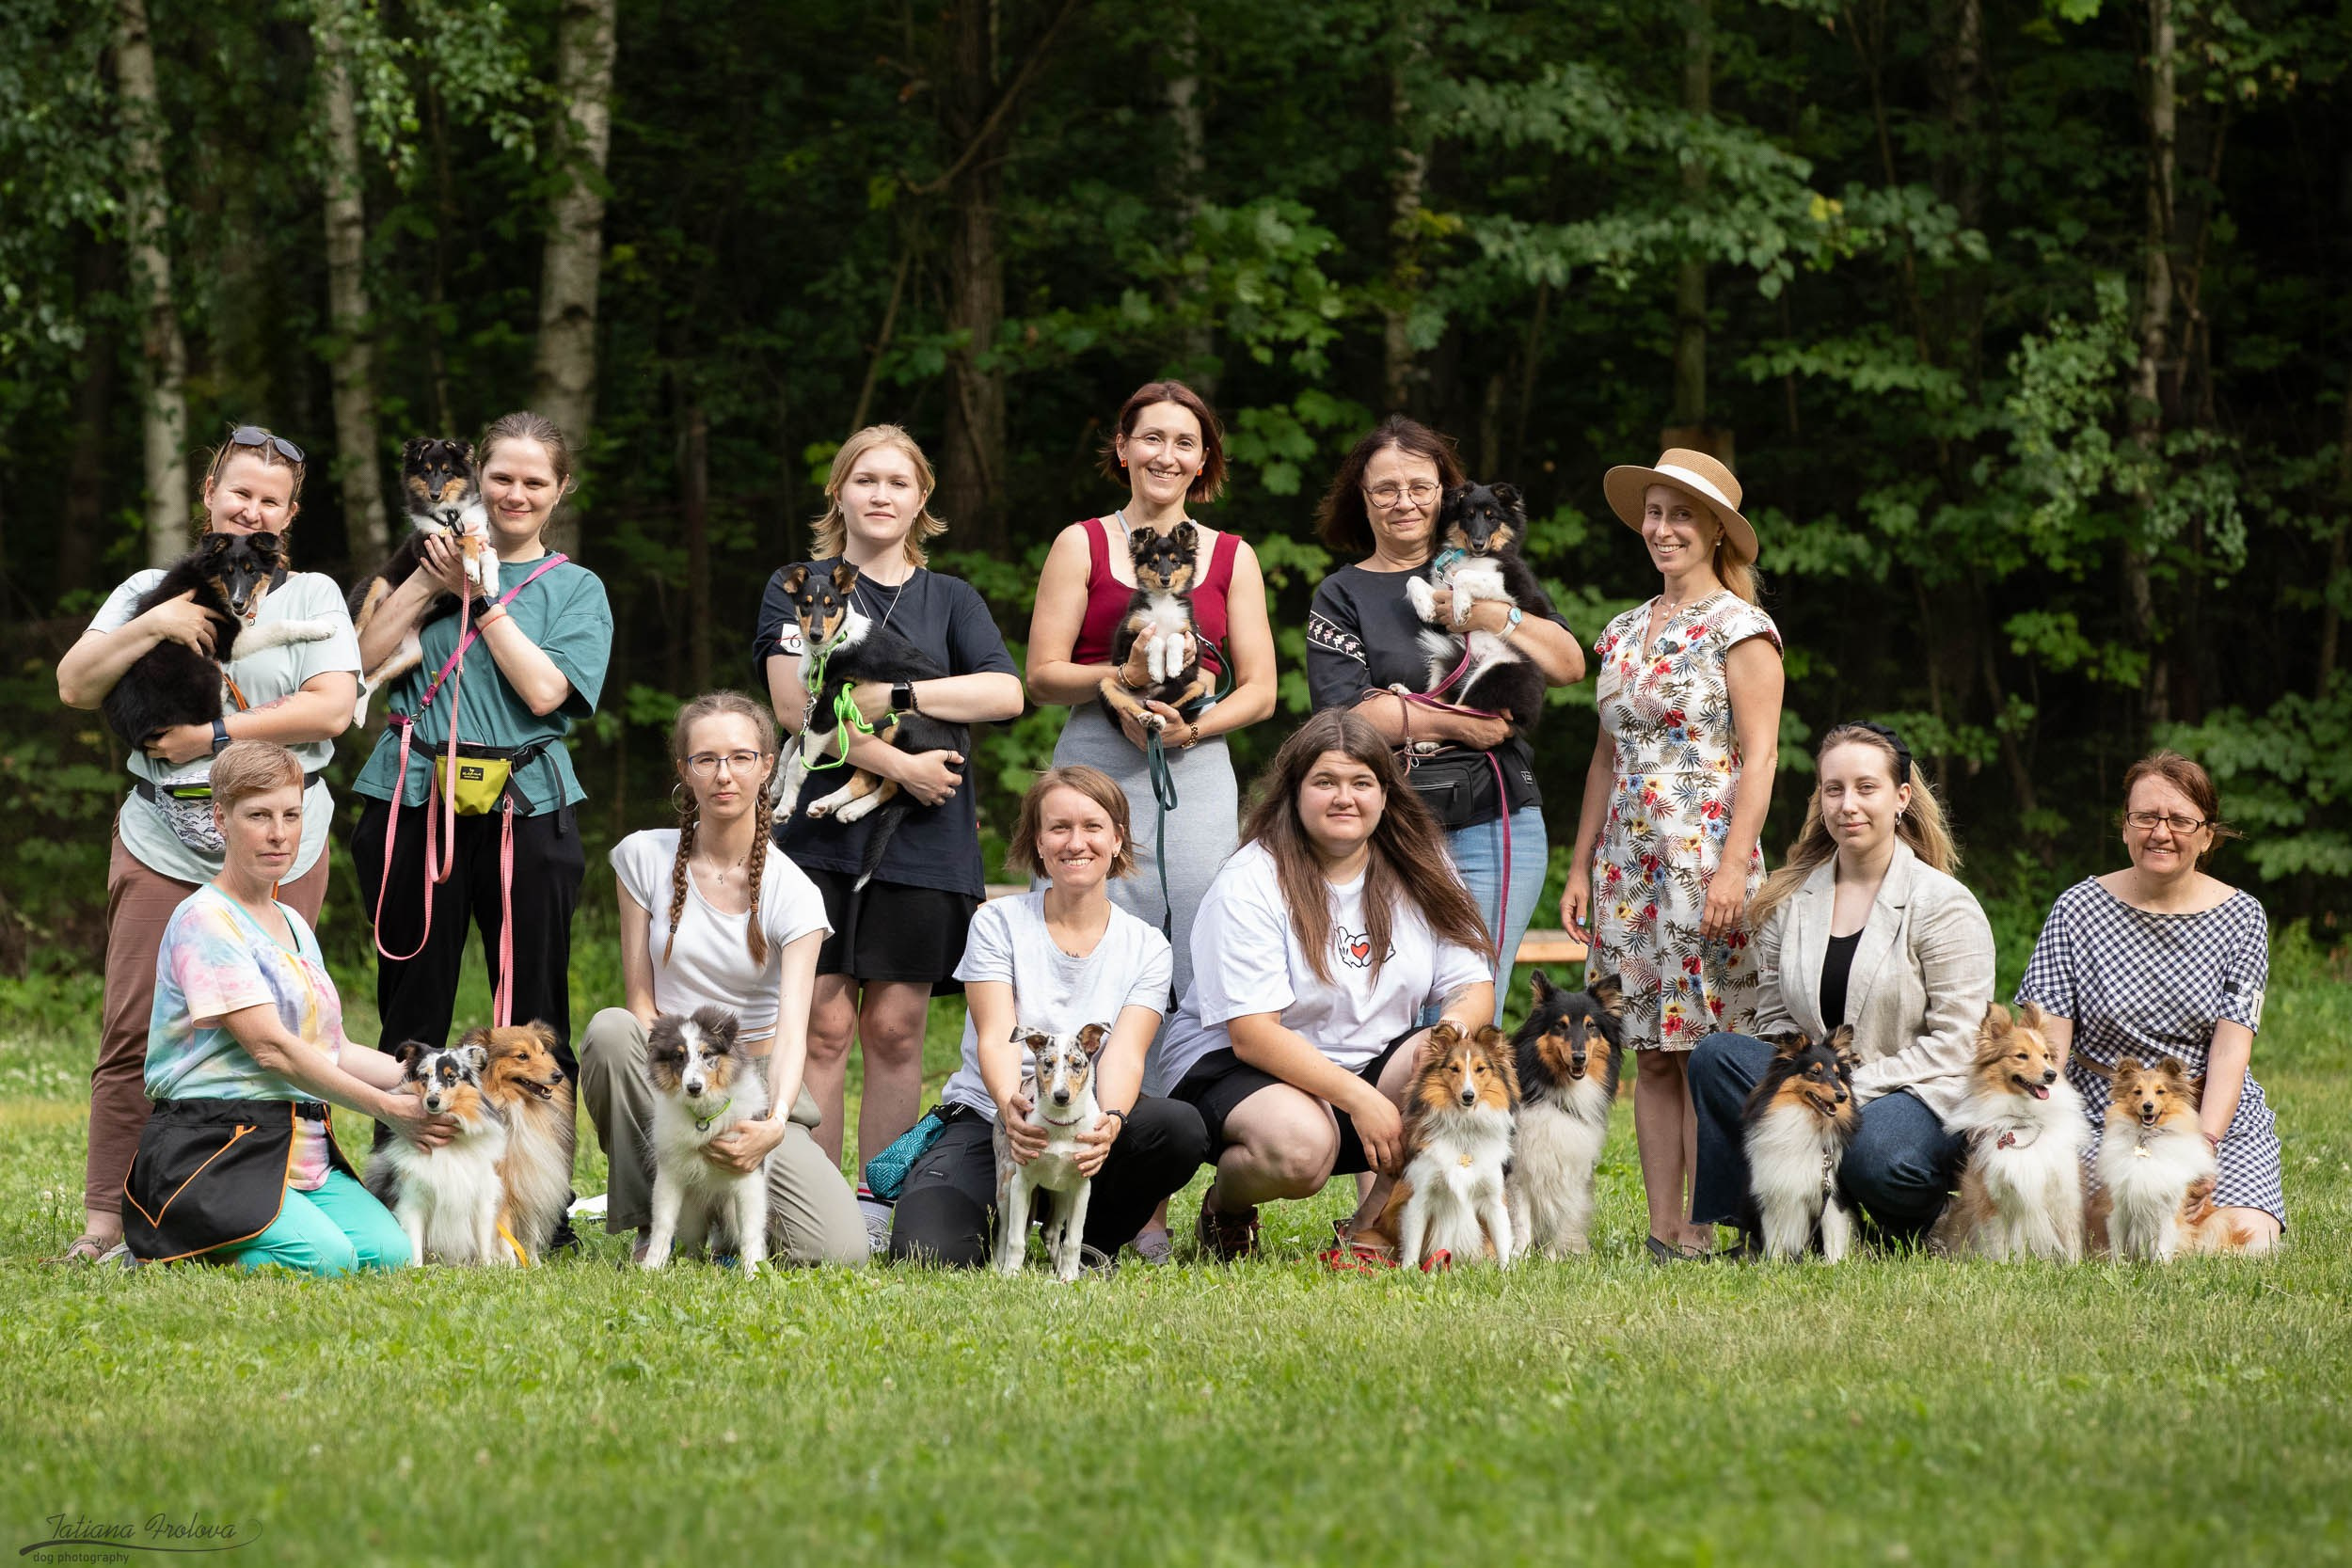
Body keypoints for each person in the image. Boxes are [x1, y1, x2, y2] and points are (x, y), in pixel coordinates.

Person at [53, 425, 361, 1264]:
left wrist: (212, 733)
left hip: (278, 842)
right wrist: (151, 621)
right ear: (209, 494)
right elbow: (75, 684)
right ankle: (105, 1223)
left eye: (269, 499)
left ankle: (274, 1200)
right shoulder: (148, 587)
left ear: (289, 514)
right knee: (132, 1031)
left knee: (287, 1030)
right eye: (239, 492)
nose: (250, 508)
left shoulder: (315, 597)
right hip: (163, 836)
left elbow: (331, 708)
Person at [1024, 379, 1276, 1262]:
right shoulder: (1081, 542)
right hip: (1098, 756)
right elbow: (1041, 669)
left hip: (1196, 765)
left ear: (1203, 459)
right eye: (1151, 438)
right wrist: (1115, 686)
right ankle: (1065, 1171)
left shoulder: (1232, 555)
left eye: (1185, 441)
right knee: (1090, 951)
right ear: (1122, 446)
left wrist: (1194, 722)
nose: (1167, 454)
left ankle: (1160, 1194)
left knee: (1197, 959)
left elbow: (1263, 688)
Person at [754, 424, 1023, 1250]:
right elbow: (795, 712)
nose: (880, 494)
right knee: (824, 1025)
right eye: (864, 479)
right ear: (838, 493)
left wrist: (897, 693)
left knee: (898, 1030)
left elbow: (1005, 693)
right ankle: (814, 1205)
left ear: (920, 500)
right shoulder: (795, 589)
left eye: (897, 483)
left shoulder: (953, 600)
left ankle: (877, 1208)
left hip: (926, 841)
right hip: (816, 835)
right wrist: (890, 762)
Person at [1163, 710, 1496, 1264]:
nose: (1345, 798)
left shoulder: (1420, 865)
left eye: (1362, 783)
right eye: (1326, 782)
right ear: (1294, 792)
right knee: (1302, 1149)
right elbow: (1252, 1035)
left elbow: (1471, 986)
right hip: (1240, 1064)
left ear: (1386, 795)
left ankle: (1372, 1228)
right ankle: (1225, 1208)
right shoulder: (1250, 881)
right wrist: (1361, 1099)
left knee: (1457, 1067)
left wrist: (1450, 1036)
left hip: (1368, 1059)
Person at [350, 412, 612, 1107]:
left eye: (534, 480)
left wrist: (482, 597)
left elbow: (546, 689)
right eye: (501, 476)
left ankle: (536, 1199)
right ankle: (402, 1184)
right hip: (412, 796)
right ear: (476, 479)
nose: (515, 493)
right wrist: (430, 583)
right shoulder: (423, 561)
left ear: (561, 489)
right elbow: (362, 662)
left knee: (532, 1007)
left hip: (526, 804)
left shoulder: (575, 589)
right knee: (412, 993)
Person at [1562, 447, 1783, 1260]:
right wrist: (1580, 864)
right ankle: (1664, 1228)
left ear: (1717, 530)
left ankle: (1713, 1218)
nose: (1662, 529)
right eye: (1653, 513)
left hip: (1705, 866)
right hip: (1628, 869)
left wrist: (1734, 865)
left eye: (1680, 515)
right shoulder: (1621, 631)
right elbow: (1603, 759)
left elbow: (1759, 758)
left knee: (1701, 1047)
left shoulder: (1741, 628)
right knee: (1649, 1048)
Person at [122, 742, 454, 1275]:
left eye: (291, 815)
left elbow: (335, 1048)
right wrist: (389, 1109)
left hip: (300, 1149)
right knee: (327, 1261)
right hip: (214, 1146)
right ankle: (169, 1242)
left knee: (386, 1256)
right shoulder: (205, 919)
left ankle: (253, 1228)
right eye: (258, 816)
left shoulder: (293, 924)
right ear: (221, 820)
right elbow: (272, 1049)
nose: (279, 834)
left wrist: (439, 1081)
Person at [577, 691, 867, 1266]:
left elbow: (792, 1032)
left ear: (766, 766)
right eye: (705, 759)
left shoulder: (795, 895)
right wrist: (683, 1096)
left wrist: (774, 1123)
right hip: (670, 1066)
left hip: (752, 1083)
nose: (723, 775)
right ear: (684, 771)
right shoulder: (641, 858)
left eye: (740, 757)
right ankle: (653, 1227)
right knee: (611, 1030)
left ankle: (720, 1219)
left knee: (840, 1252)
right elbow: (640, 1002)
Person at [1307, 417, 1584, 1017]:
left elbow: (1567, 664)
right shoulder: (1341, 594)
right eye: (1385, 489)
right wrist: (1458, 725)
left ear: (1446, 494)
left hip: (1494, 816)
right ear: (1363, 497)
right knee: (1384, 1000)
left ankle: (1461, 1110)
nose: (1404, 503)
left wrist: (1489, 617)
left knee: (1469, 998)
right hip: (1388, 824)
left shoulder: (1489, 571)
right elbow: (1345, 712)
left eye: (1421, 487)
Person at [1686, 722, 1994, 1257]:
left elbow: (1960, 1042)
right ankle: (1771, 1229)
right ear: (1821, 800)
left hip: (1916, 1091)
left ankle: (1918, 1224)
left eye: (1866, 788)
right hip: (1821, 1083)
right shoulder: (1791, 900)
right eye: (1835, 789)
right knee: (1717, 1056)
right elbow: (1776, 1025)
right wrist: (1800, 1091)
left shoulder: (1944, 903)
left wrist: (1854, 1088)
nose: (1849, 804)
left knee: (1874, 1151)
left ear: (1900, 798)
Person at [888, 767, 1211, 1267]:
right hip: (994, 1116)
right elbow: (997, 1036)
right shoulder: (997, 922)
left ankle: (1084, 1239)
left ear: (1118, 838)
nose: (1075, 842)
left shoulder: (1147, 946)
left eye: (1092, 827)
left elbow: (1125, 1053)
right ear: (1038, 842)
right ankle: (1001, 1211)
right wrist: (1009, 1106)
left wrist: (1114, 1122)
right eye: (1059, 827)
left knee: (1178, 1127)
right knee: (929, 1250)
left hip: (1083, 1114)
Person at [2015, 751, 2282, 1251]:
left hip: (2206, 1111)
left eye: (2180, 820)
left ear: (2206, 835)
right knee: (2101, 1241)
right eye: (2146, 817)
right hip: (2106, 1111)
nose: (2161, 833)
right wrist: (2047, 1136)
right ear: (2124, 827)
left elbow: (2229, 1050)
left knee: (2246, 1246)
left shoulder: (2244, 918)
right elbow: (2048, 1048)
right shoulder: (2076, 910)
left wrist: (2201, 1146)